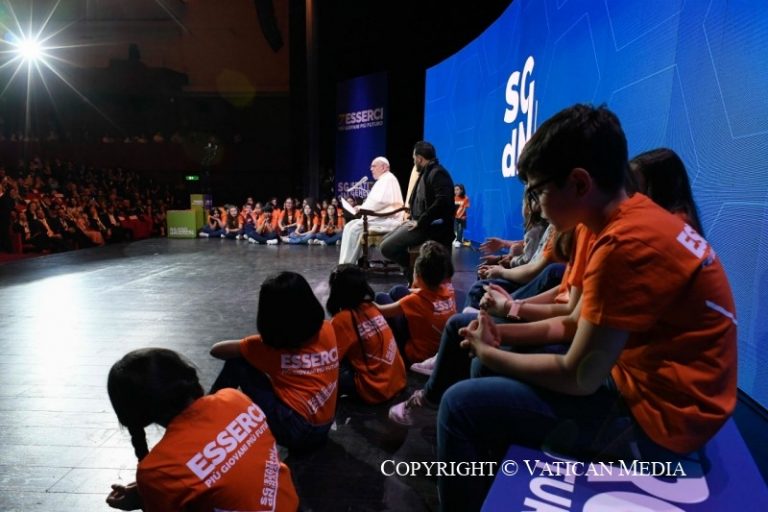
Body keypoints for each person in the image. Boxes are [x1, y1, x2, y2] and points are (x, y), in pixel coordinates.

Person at [437, 104, 737, 511]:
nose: (537, 205)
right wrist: (500, 333)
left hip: (664, 419)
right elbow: (575, 321)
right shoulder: (627, 219)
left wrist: (490, 349)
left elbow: (578, 376)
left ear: (579, 183)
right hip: (652, 385)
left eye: (538, 191)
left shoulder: (623, 244)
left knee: (458, 407)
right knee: (485, 370)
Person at [105, 348, 299, 512]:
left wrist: (147, 497)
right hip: (289, 504)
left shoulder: (157, 469)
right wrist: (151, 491)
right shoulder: (234, 398)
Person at [209, 272, 338, 452]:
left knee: (238, 363)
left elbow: (216, 350)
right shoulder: (328, 328)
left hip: (297, 430)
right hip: (324, 425)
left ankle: (206, 416)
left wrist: (252, 345)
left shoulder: (266, 348)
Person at [327, 264, 407, 403]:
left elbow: (329, 363)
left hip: (377, 390)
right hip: (398, 380)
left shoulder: (341, 320)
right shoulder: (371, 306)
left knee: (326, 371)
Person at [380, 141, 455, 282]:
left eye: (414, 158)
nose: (414, 161)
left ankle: (414, 271)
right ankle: (413, 271)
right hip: (419, 222)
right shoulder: (427, 172)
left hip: (430, 227)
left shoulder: (438, 173)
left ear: (420, 158)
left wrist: (421, 221)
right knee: (384, 241)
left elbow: (442, 202)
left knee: (386, 247)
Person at [375, 241, 456, 365]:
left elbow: (381, 310)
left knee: (380, 297)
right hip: (439, 350)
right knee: (398, 290)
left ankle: (392, 348)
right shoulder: (449, 290)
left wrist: (362, 296)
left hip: (417, 356)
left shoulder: (415, 301)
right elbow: (423, 293)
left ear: (418, 276)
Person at [338, 156, 405, 264]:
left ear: (384, 167)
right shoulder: (383, 180)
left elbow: (380, 202)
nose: (371, 169)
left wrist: (362, 208)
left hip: (388, 219)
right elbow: (377, 202)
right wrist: (362, 207)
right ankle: (345, 263)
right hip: (381, 217)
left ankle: (348, 264)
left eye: (374, 166)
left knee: (355, 229)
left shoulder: (388, 179)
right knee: (348, 226)